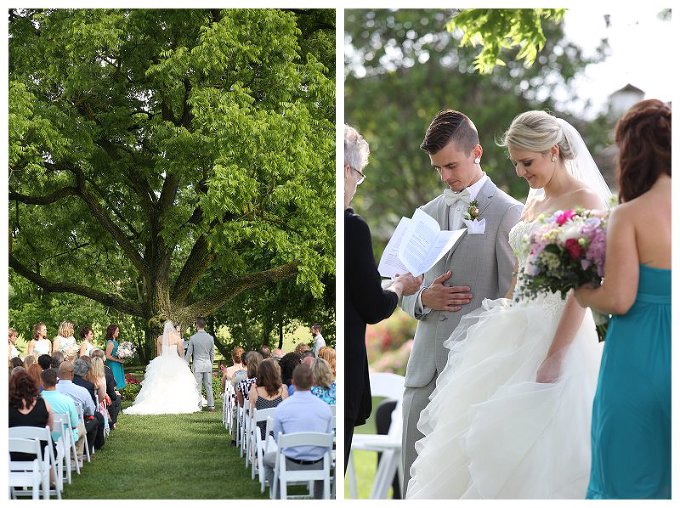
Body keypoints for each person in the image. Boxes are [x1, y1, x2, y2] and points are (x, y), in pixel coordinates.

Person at [405, 110, 610, 498]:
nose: (519, 172)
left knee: (540, 455)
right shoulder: (533, 202)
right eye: (515, 162)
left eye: (526, 162)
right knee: (479, 447)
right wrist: (503, 320)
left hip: (559, 335)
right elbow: (518, 275)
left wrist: (554, 356)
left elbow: (582, 287)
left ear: (553, 151)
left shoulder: (586, 199)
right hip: (513, 331)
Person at [573, 99, 671, 499]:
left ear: (632, 150)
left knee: (626, 478)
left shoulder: (629, 215)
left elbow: (620, 297)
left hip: (638, 358)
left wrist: (582, 292)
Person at [345, 124, 424, 472]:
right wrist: (399, 286)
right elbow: (373, 307)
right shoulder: (352, 227)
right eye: (359, 175)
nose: (357, 184)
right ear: (348, 170)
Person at [263, 364, 334, 499]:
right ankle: (320, 499)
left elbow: (279, 441)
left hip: (290, 462)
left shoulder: (282, 407)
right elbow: (328, 439)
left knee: (267, 459)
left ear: (293, 382)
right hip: (319, 463)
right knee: (324, 456)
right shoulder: (325, 408)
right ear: (313, 381)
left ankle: (278, 497)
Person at [124, 320, 201, 414]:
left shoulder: (160, 338)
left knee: (159, 382)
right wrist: (183, 363)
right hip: (175, 362)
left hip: (162, 361)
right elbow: (181, 353)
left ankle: (157, 401)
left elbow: (158, 353)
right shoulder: (177, 338)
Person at [40, 368, 86, 466]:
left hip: (42, 437)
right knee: (81, 427)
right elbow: (74, 425)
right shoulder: (67, 400)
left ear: (42, 383)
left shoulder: (36, 400)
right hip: (64, 437)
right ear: (57, 381)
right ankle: (74, 459)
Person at [9, 369, 55, 462]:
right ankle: (51, 475)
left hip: (12, 455)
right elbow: (50, 428)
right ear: (32, 386)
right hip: (41, 455)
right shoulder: (43, 403)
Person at [56, 361, 99, 456]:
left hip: (52, 430)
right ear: (72, 373)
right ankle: (85, 452)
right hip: (74, 429)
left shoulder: (50, 391)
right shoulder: (82, 391)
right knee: (94, 421)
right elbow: (91, 411)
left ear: (58, 374)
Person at [249, 358, 288, 439]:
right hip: (279, 435)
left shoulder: (255, 390)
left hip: (260, 436)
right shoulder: (283, 390)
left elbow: (252, 414)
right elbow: (285, 416)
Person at [185, 317, 215, 411]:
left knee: (198, 386)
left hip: (197, 364)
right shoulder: (210, 338)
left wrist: (185, 363)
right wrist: (211, 363)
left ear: (197, 326)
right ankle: (211, 405)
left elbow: (189, 353)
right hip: (207, 364)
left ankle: (199, 405)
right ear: (204, 325)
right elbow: (212, 353)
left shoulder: (193, 338)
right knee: (208, 385)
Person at [91, 348, 122, 428]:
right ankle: (112, 421)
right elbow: (112, 393)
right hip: (101, 400)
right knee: (117, 398)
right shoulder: (107, 372)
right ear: (103, 358)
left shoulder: (87, 372)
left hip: (91, 399)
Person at [104, 324, 126, 390]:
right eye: (117, 331)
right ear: (112, 332)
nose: (118, 332)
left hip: (117, 364)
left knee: (118, 380)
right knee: (114, 381)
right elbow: (107, 356)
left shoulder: (115, 342)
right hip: (113, 365)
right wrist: (118, 360)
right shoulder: (110, 343)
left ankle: (118, 395)